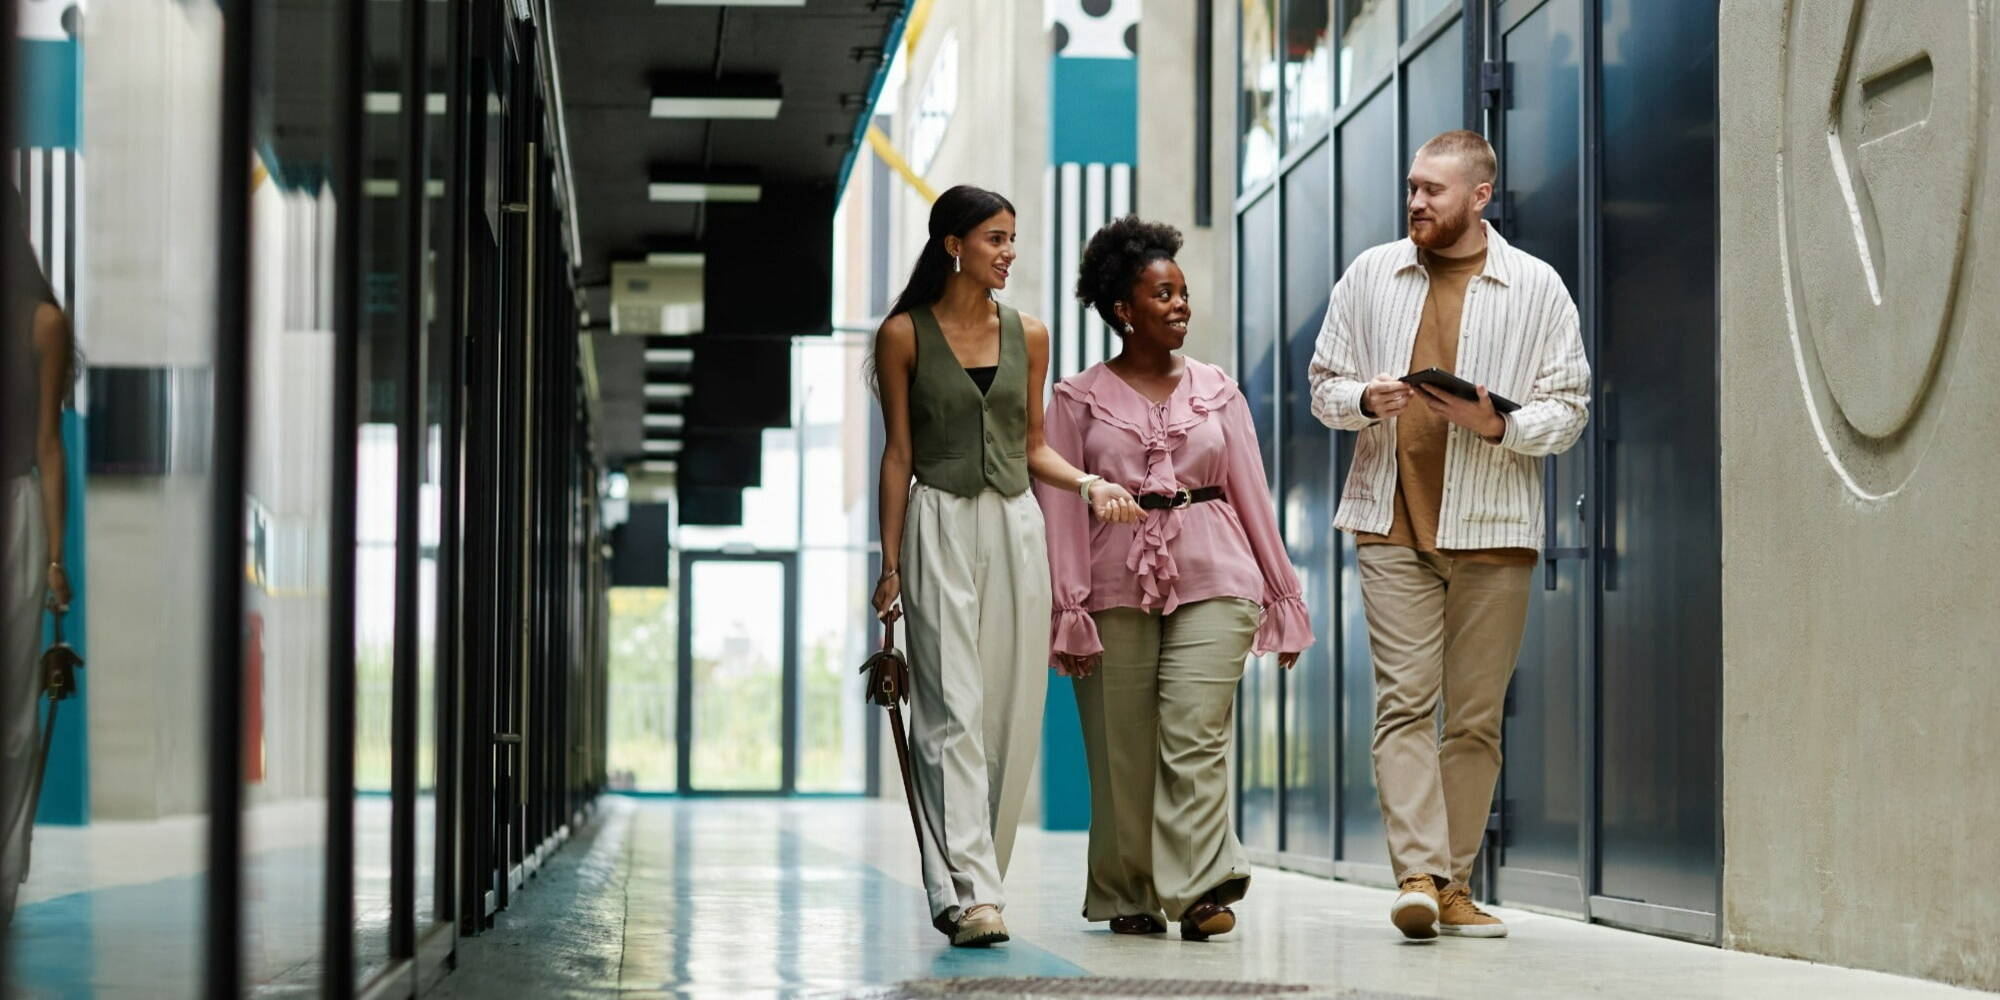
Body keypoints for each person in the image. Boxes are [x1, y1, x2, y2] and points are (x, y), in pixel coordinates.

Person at [1308, 130, 1589, 941]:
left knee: (1473, 719)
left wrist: (1496, 421)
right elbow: (1324, 385)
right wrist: (1366, 399)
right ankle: (1420, 879)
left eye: (1432, 189)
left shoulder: (1536, 288)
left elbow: (1569, 410)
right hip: (1388, 521)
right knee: (1404, 705)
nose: (1415, 203)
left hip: (1493, 530)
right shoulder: (1370, 274)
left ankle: (1454, 885)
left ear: (1479, 196)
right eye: (1410, 187)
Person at [870, 184, 1141, 948]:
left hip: (1018, 528)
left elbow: (1031, 447)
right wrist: (889, 565)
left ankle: (967, 884)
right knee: (951, 706)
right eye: (996, 238)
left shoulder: (1032, 334)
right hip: (938, 522)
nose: (1009, 253)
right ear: (953, 244)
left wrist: (1088, 481)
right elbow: (897, 456)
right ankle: (973, 894)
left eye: (1013, 239)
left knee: (1010, 710)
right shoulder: (903, 335)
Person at [1038, 216, 1312, 942]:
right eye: (1164, 294)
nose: (1181, 305)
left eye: (1184, 293)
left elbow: (1251, 490)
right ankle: (1128, 889)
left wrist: (1283, 596)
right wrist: (1070, 607)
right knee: (1120, 745)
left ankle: (1197, 890)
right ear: (1123, 310)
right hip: (1111, 582)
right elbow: (1060, 509)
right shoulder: (1074, 399)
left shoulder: (1218, 391)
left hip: (1218, 571)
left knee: (1194, 730)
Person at [2, 191, 74, 923]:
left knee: (17, 711)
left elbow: (48, 443)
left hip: (16, 511)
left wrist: (56, 557)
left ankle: (3, 876)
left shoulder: (42, 322)